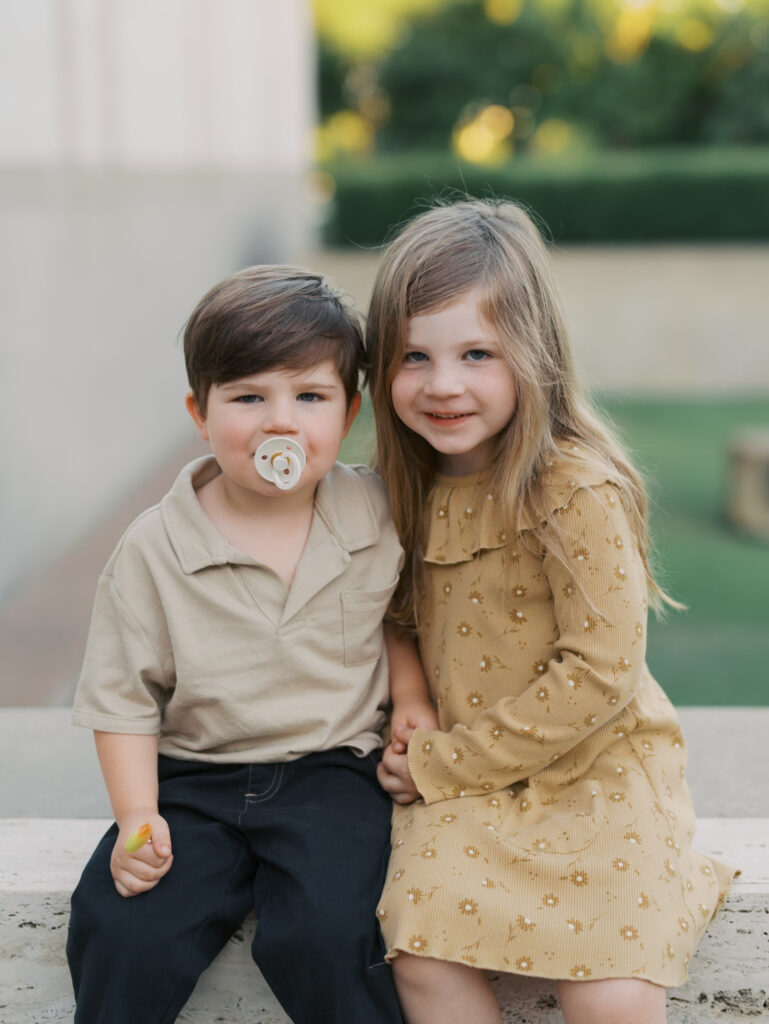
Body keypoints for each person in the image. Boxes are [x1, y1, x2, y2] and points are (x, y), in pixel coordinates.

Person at [366, 199, 736, 1024]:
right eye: (412, 357)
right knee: (422, 948)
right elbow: (392, 611)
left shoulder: (573, 488)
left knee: (609, 989)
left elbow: (599, 673)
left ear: (533, 355)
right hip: (468, 786)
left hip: (595, 769)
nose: (442, 384)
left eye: (475, 353)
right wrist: (415, 698)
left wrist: (442, 763)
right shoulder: (404, 487)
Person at [66, 265, 425, 1024]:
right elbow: (122, 699)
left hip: (332, 773)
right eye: (249, 397)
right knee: (124, 927)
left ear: (349, 410)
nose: (280, 423)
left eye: (310, 397)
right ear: (201, 413)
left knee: (330, 932)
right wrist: (138, 819)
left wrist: (413, 699)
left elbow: (394, 614)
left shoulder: (372, 511)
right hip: (193, 780)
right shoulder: (154, 547)